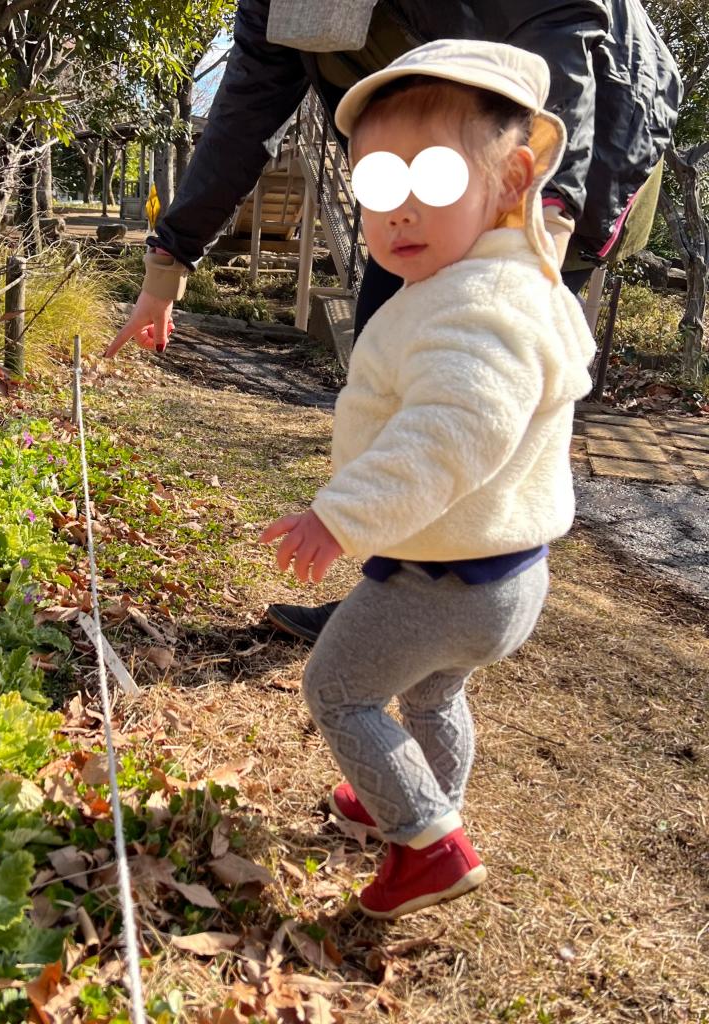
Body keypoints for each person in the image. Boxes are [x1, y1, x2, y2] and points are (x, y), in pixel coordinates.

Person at [104, 0, 681, 643]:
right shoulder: (275, 9)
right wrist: (170, 259)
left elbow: (562, 48)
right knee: (386, 364)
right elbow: (245, 114)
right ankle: (403, 593)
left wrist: (536, 224)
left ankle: (466, 597)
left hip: (564, 155)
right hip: (433, 173)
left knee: (468, 387)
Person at [258, 38, 596, 918]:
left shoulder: (477, 305)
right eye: (377, 187)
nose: (400, 213)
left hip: (437, 581)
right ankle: (404, 800)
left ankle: (429, 845)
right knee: (433, 690)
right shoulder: (510, 281)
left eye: (435, 181)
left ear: (512, 179)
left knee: (337, 689)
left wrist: (343, 515)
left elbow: (453, 433)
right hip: (505, 579)